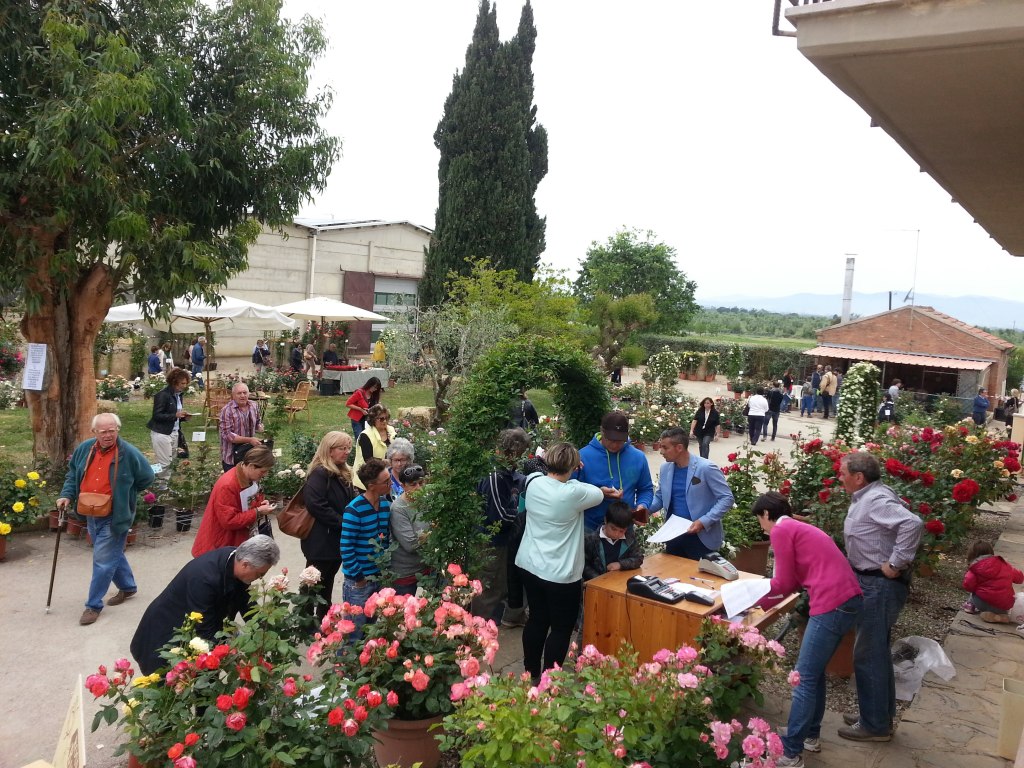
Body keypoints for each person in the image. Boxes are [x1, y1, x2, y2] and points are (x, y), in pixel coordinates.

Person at [752, 492, 863, 767]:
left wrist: (752, 601)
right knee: (814, 673)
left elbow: (783, 583)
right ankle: (810, 735)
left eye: (759, 520)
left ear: (766, 514)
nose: (761, 527)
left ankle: (791, 753)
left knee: (802, 678)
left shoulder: (781, 529)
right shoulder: (798, 526)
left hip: (831, 603)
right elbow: (793, 581)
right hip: (847, 599)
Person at [837, 451, 923, 743]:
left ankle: (874, 726)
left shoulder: (875, 499)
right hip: (872, 584)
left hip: (879, 586)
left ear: (859, 477)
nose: (839, 477)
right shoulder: (867, 495)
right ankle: (876, 715)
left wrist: (896, 563)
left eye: (843, 473)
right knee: (876, 652)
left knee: (868, 654)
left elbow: (912, 524)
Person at [516, 442, 604, 683]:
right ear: (573, 467)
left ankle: (531, 672)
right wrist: (575, 472)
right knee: (561, 628)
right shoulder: (573, 493)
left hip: (529, 565)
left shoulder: (533, 482)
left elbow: (533, 466)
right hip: (560, 575)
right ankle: (549, 680)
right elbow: (598, 494)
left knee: (537, 619)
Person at [57, 414, 156, 626]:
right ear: (94, 432)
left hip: (114, 515)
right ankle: (128, 587)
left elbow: (147, 477)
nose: (108, 435)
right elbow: (73, 474)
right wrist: (66, 495)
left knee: (102, 560)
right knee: (110, 554)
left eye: (112, 430)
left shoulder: (129, 453)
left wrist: (125, 493)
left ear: (117, 430)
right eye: (103, 432)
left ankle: (93, 605)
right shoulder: (85, 449)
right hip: (90, 512)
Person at [130, 535, 280, 675]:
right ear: (245, 565)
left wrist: (264, 632)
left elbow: (246, 603)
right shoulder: (205, 578)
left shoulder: (236, 560)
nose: (260, 579)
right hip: (163, 634)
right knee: (169, 683)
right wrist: (235, 656)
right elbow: (205, 630)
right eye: (260, 574)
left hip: (195, 629)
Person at [648, 428, 734, 560]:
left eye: (665, 447)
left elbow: (727, 498)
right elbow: (660, 497)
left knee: (701, 573)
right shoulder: (665, 468)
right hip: (673, 535)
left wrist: (704, 521)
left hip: (701, 537)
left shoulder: (706, 468)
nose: (661, 452)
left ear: (679, 448)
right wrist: (645, 509)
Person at [472, 428, 530, 622]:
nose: (519, 458)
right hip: (491, 542)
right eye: (519, 453)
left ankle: (492, 623)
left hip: (500, 541)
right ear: (509, 452)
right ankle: (478, 628)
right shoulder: (495, 477)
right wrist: (523, 514)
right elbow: (500, 516)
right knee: (488, 590)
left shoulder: (505, 473)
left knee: (499, 585)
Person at [300, 431, 355, 619]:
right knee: (312, 583)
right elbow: (316, 505)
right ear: (329, 450)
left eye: (348, 448)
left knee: (328, 580)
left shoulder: (342, 472)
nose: (347, 452)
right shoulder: (319, 473)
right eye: (342, 448)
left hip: (335, 538)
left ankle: (324, 618)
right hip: (321, 541)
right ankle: (306, 620)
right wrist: (343, 522)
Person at [191, 446, 278, 557]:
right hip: (221, 544)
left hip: (235, 540)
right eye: (263, 471)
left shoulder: (249, 477)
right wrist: (258, 511)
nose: (265, 475)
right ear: (251, 466)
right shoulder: (228, 485)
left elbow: (249, 501)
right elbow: (229, 521)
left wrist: (261, 504)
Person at [576, 411, 653, 531]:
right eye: (611, 440)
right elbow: (571, 493)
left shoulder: (638, 457)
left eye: (620, 440)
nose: (615, 445)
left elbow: (645, 489)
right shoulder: (582, 457)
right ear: (602, 431)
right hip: (590, 529)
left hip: (624, 529)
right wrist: (598, 493)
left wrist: (642, 506)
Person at [340, 458, 392, 636]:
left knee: (372, 630)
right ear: (371, 486)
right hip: (359, 582)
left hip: (378, 577)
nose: (390, 484)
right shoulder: (354, 510)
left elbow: (386, 540)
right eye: (386, 481)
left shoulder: (385, 505)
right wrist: (359, 577)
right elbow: (346, 547)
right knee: (354, 632)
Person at [389, 464, 432, 596]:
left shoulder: (427, 501)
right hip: (405, 571)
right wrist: (433, 533)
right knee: (405, 607)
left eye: (421, 483)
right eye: (413, 485)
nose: (418, 488)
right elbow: (411, 545)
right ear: (403, 486)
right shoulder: (398, 508)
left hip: (427, 565)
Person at [147, 367, 191, 489]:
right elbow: (157, 415)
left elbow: (175, 414)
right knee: (164, 463)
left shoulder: (179, 395)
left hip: (174, 432)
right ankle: (146, 473)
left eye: (186, 383)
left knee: (171, 462)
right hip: (161, 433)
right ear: (174, 382)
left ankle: (164, 485)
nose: (184, 386)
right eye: (182, 383)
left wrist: (183, 417)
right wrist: (175, 415)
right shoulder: (162, 395)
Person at [961, 539, 1023, 623]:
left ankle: (970, 606)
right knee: (1003, 600)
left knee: (974, 589)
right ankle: (1000, 616)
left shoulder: (975, 568)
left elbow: (968, 585)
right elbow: (1020, 578)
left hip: (982, 603)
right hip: (1003, 606)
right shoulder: (1004, 564)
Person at [582, 500, 643, 581]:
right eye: (613, 529)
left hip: (620, 582)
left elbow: (638, 559)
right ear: (606, 520)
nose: (616, 534)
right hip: (597, 584)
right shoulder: (591, 540)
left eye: (621, 531)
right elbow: (583, 564)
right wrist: (598, 579)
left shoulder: (629, 539)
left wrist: (620, 565)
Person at [219, 382, 264, 472]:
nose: (242, 395)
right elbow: (228, 435)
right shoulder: (227, 410)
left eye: (245, 392)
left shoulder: (254, 405)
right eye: (239, 393)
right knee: (234, 480)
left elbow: (258, 422)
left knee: (249, 479)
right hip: (232, 457)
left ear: (248, 393)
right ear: (233, 395)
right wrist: (250, 440)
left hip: (249, 454)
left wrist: (260, 426)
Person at [353, 403, 396, 490]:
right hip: (368, 478)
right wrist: (386, 462)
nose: (385, 421)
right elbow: (368, 459)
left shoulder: (391, 430)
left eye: (386, 418)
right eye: (381, 419)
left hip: (385, 476)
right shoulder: (365, 435)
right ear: (373, 420)